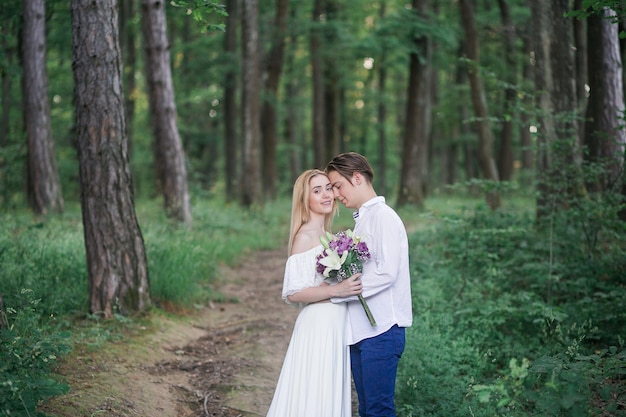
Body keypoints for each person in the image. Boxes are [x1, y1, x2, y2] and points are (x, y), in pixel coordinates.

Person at [266, 169, 363, 417]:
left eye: (328, 188)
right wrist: (338, 289)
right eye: (317, 191)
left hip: (334, 326)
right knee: (313, 395)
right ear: (304, 199)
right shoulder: (305, 236)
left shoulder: (328, 236)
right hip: (318, 327)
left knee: (327, 394)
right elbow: (293, 293)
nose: (326, 195)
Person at [326, 152, 413, 417]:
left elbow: (387, 272)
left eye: (338, 185)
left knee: (378, 410)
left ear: (357, 177)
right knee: (366, 410)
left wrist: (341, 294)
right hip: (362, 331)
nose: (336, 194)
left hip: (383, 330)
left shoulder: (383, 217)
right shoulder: (362, 220)